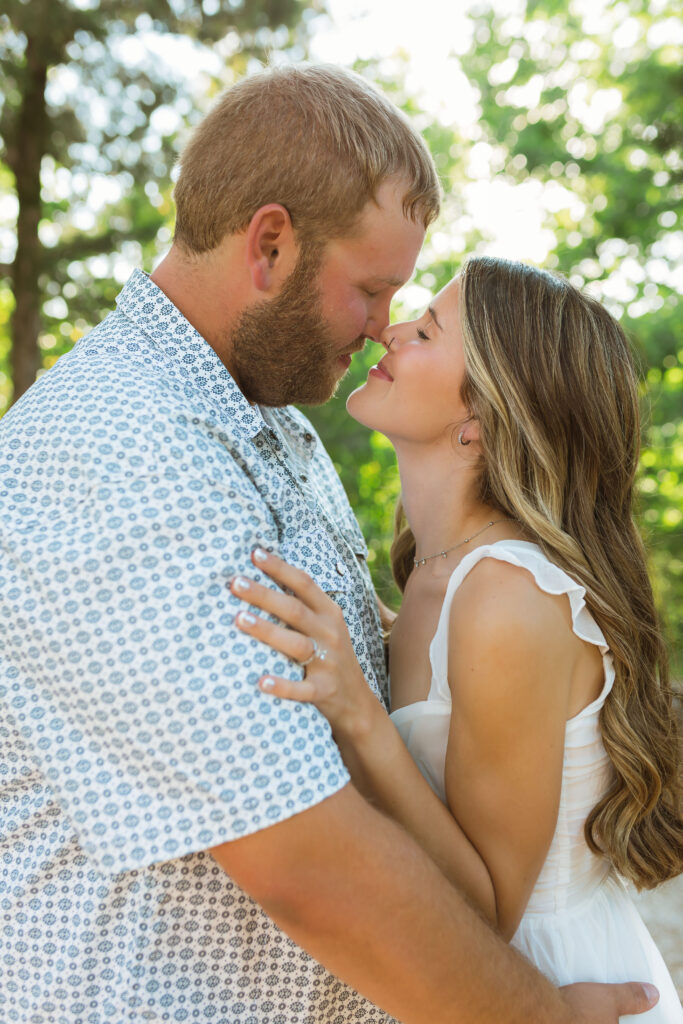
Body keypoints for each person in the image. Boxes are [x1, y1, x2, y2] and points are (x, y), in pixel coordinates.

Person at [0, 63, 661, 1024]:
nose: (385, 327)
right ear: (270, 245)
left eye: (413, 312)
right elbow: (302, 860)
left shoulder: (272, 424)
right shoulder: (121, 443)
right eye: (373, 289)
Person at [231, 256, 683, 1021]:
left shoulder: (507, 597)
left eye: (426, 331)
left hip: (543, 983)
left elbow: (492, 908)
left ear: (479, 421)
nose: (390, 329)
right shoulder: (437, 575)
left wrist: (360, 714)